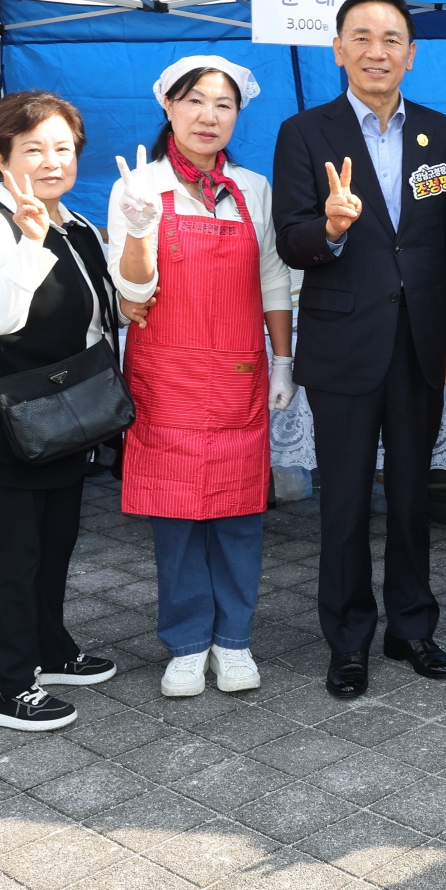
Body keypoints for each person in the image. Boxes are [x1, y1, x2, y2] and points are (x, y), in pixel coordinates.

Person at [272, 0, 446, 698]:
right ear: (338, 50)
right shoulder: (305, 133)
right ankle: (348, 638)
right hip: (344, 343)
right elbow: (290, 241)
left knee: (415, 496)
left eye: (391, 39)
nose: (376, 50)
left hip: (420, 344)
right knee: (347, 499)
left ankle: (411, 628)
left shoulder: (440, 134)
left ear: (412, 55)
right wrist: (329, 227)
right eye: (361, 37)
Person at [0, 92, 119, 730]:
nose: (50, 160)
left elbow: (101, 316)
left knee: (55, 543)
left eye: (62, 148)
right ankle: (0, 687)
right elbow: (0, 317)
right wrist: (31, 243)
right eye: (32, 149)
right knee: (13, 555)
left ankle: (48, 648)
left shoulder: (78, 224)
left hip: (62, 413)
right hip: (3, 418)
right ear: (1, 158)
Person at [107, 55, 294, 699]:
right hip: (166, 374)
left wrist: (283, 359)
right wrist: (136, 228)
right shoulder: (139, 185)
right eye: (195, 101)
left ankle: (235, 640)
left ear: (238, 115)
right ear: (169, 108)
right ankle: (187, 642)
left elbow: (274, 278)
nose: (208, 116)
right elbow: (132, 292)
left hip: (240, 370)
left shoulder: (255, 189)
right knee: (177, 515)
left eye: (223, 104)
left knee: (241, 513)